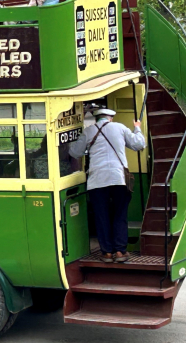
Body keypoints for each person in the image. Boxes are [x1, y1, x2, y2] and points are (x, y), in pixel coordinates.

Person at [69, 108, 145, 263]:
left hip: (97, 180)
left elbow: (75, 152)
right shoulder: (120, 128)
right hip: (119, 179)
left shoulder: (89, 131)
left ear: (96, 118)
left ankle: (107, 253)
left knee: (101, 216)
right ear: (110, 118)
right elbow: (139, 144)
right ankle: (120, 252)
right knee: (120, 214)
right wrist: (137, 127)